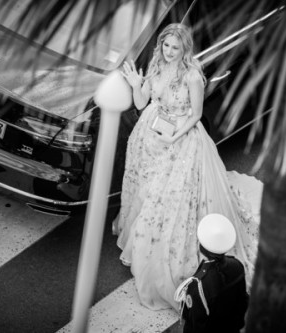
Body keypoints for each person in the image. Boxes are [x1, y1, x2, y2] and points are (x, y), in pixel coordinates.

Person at [113, 23, 266, 310]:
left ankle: (162, 253)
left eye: (175, 47)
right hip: (151, 135)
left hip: (181, 138)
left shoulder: (193, 76)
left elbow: (196, 114)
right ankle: (143, 242)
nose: (169, 52)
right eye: (166, 46)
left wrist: (174, 135)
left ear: (185, 48)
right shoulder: (156, 65)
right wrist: (136, 85)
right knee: (146, 191)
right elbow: (142, 102)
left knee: (169, 198)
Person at [174, 214, 249, 333]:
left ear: (202, 247)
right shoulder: (237, 265)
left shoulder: (198, 285)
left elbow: (196, 324)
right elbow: (243, 302)